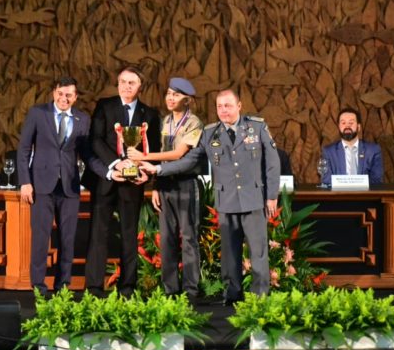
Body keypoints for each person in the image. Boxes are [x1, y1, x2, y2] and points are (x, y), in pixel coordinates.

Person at [140, 89, 280, 305]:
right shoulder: (210, 133)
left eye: (228, 106)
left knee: (258, 253)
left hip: (253, 199)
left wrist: (271, 196)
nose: (223, 110)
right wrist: (158, 169)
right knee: (229, 254)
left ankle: (259, 299)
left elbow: (272, 163)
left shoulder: (257, 127)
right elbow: (189, 161)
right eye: (219, 106)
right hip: (226, 201)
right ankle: (232, 297)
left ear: (239, 106)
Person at [17, 77, 109, 295]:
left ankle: (63, 288)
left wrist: (109, 172)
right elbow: (23, 149)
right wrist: (25, 182)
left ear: (75, 97)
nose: (64, 98)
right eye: (60, 94)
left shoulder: (82, 119)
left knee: (67, 240)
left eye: (69, 95)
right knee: (41, 239)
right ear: (54, 93)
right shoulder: (38, 113)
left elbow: (87, 154)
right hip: (41, 186)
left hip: (69, 187)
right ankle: (39, 288)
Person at [84, 66, 161, 296]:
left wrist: (146, 173)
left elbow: (153, 150)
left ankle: (127, 288)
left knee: (129, 236)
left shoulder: (150, 114)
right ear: (117, 83)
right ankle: (94, 287)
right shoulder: (105, 106)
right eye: (123, 82)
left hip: (133, 184)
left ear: (140, 86)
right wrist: (116, 164)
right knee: (98, 234)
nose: (126, 86)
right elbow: (95, 140)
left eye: (132, 82)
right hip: (105, 181)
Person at [127, 77, 203, 299]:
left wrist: (144, 157)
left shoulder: (194, 122)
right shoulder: (165, 121)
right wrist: (156, 187)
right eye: (169, 93)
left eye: (176, 95)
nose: (170, 98)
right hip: (165, 183)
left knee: (188, 238)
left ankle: (190, 289)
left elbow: (179, 154)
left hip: (186, 184)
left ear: (187, 100)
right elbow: (161, 159)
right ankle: (170, 288)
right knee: (167, 238)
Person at [321, 107, 383, 185]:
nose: (347, 126)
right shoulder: (329, 152)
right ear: (339, 127)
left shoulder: (373, 150)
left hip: (364, 193)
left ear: (358, 127)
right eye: (343, 123)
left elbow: (376, 180)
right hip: (339, 192)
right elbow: (327, 180)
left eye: (351, 123)